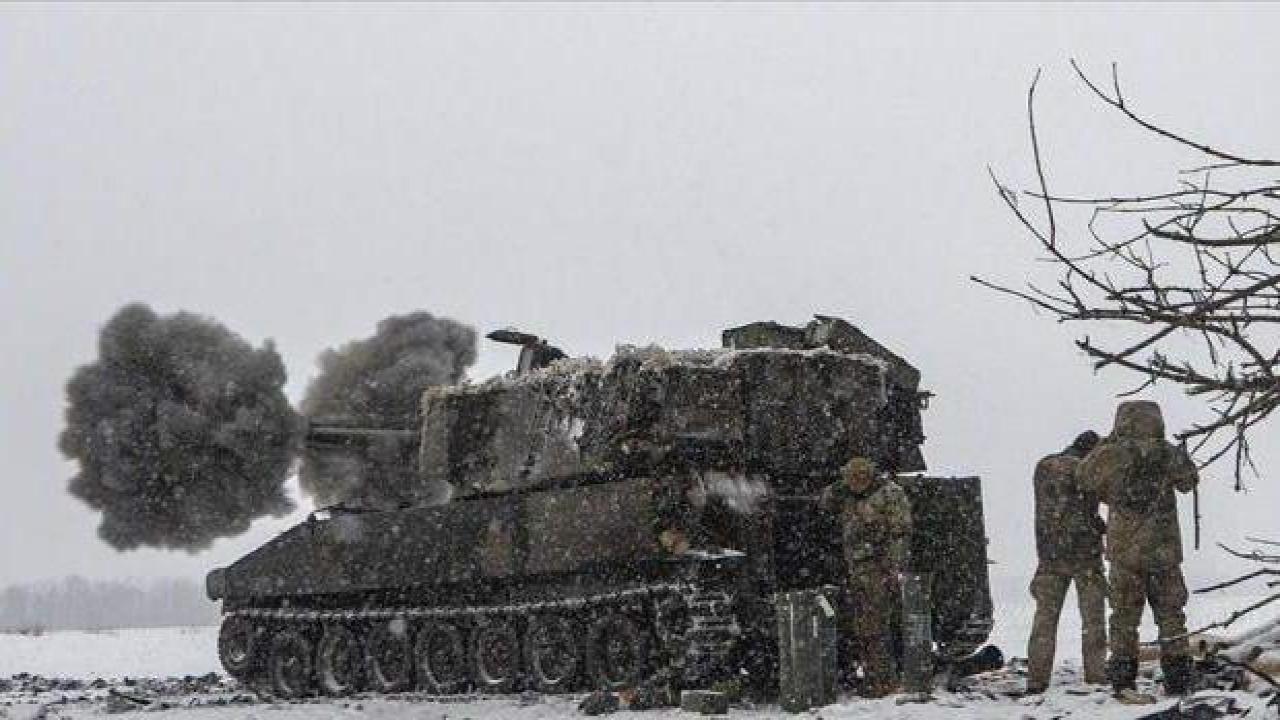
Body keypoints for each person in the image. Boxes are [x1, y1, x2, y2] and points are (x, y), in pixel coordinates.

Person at [1078, 401, 1199, 702]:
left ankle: (1123, 680)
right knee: (1172, 616)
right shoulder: (1167, 452)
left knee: (1123, 619)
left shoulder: (1111, 454)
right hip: (1164, 553)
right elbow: (1189, 481)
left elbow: (1083, 478)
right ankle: (1178, 679)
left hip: (1125, 553)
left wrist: (1106, 445)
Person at [819, 456, 912, 698]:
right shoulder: (849, 494)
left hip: (878, 568)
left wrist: (893, 568)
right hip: (857, 568)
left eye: (857, 479)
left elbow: (900, 534)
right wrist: (839, 487)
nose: (854, 483)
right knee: (863, 626)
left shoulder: (889, 494)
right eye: (850, 479)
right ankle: (873, 677)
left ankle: (882, 681)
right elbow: (825, 502)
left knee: (875, 627)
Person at [1025, 430, 1107, 694]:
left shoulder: (1044, 467)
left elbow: (1061, 508)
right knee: (1093, 621)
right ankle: (1096, 676)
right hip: (1086, 556)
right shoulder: (1087, 470)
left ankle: (1037, 681)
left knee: (1045, 621)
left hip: (1050, 555)